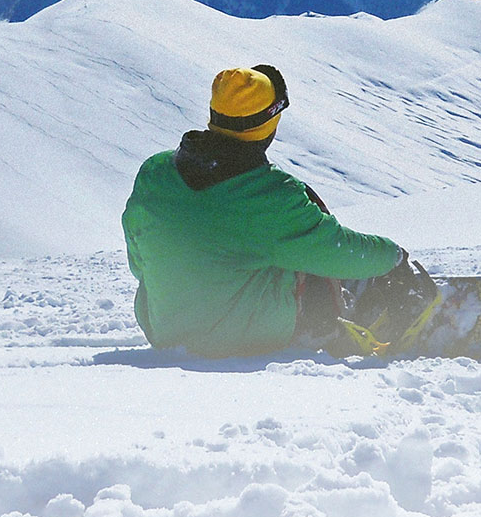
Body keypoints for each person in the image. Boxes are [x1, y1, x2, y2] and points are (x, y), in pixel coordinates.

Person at [121, 63, 412, 357]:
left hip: (163, 330)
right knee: (308, 250)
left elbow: (139, 264)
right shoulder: (273, 195)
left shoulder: (154, 174)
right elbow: (336, 249)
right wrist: (394, 257)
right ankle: (329, 326)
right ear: (268, 125)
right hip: (245, 338)